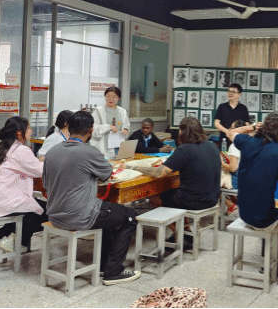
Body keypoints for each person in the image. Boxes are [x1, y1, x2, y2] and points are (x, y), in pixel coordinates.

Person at [43, 111, 140, 285]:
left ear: (69, 129)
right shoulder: (89, 152)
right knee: (130, 217)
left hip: (54, 215)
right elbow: (107, 174)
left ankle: (104, 266)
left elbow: (46, 182)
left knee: (109, 213)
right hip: (79, 216)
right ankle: (113, 272)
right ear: (91, 130)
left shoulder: (52, 151)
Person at [226, 112, 278, 287]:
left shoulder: (247, 142)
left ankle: (277, 261)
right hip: (264, 220)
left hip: (244, 213)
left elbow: (231, 132)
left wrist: (252, 127)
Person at [122, 117, 221, 250]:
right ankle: (186, 232)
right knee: (176, 193)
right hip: (212, 198)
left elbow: (159, 173)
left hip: (194, 201)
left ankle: (180, 234)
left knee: (155, 196)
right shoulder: (212, 146)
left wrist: (132, 167)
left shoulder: (184, 149)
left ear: (183, 131)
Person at [0, 117, 47, 254]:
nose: (31, 131)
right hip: (11, 199)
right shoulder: (21, 150)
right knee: (50, 214)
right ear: (19, 132)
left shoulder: (3, 147)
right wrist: (50, 161)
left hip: (3, 197)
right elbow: (40, 171)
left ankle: (3, 234)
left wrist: (37, 161)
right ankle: (15, 240)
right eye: (29, 127)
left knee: (33, 211)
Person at [90, 86, 130, 158]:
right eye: (108, 96)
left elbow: (126, 125)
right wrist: (108, 127)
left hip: (118, 144)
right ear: (105, 97)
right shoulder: (99, 111)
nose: (111, 99)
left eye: (114, 97)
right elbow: (93, 128)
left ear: (118, 98)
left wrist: (126, 130)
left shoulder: (122, 111)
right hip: (104, 146)